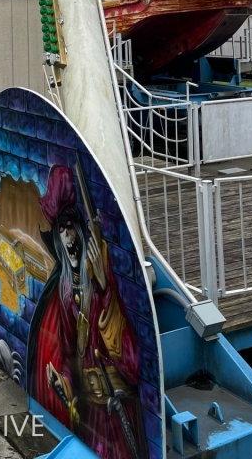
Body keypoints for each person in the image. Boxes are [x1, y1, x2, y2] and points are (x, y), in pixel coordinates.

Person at [27, 166, 146, 459]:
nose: (67, 235)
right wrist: (63, 382)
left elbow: (129, 361)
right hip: (90, 413)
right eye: (61, 231)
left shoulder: (104, 284)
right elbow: (69, 354)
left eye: (71, 227)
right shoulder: (67, 295)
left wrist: (105, 289)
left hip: (118, 413)